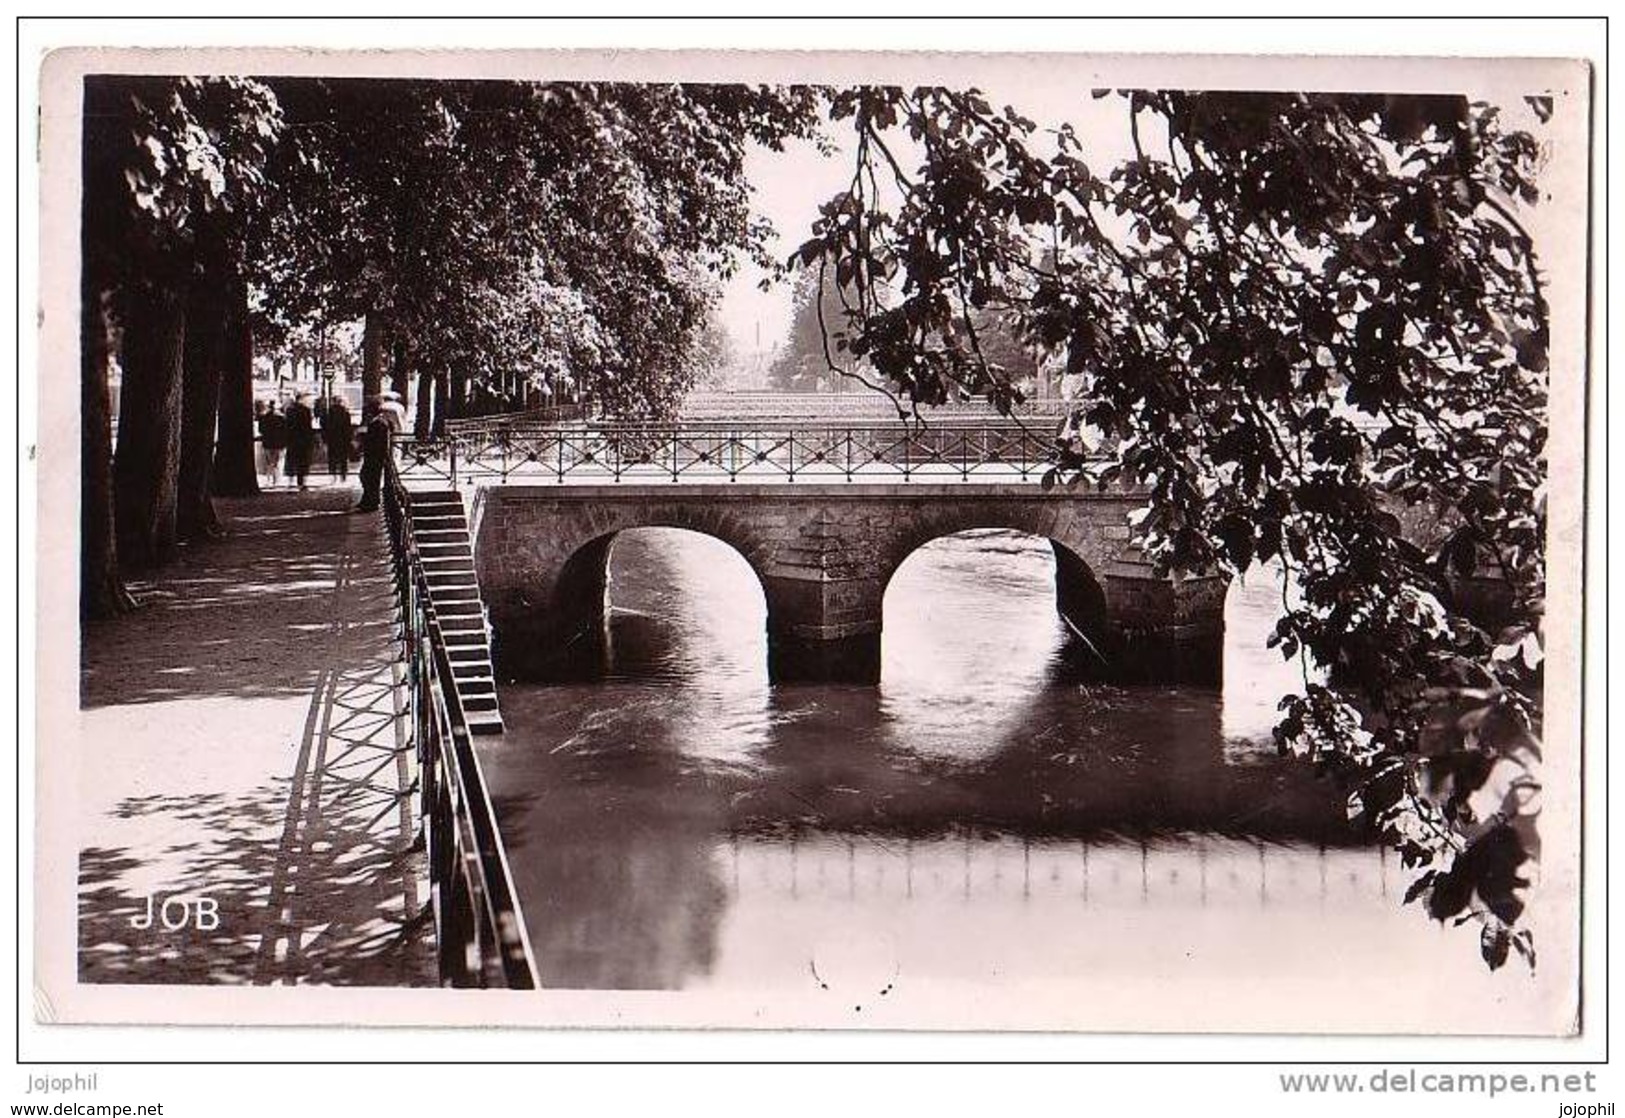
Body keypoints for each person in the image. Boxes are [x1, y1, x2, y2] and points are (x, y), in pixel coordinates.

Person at [354, 400, 393, 513]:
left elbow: (377, 442)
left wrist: (364, 441)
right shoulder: (377, 422)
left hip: (375, 455)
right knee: (367, 477)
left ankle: (371, 502)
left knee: (370, 478)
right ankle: (368, 500)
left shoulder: (378, 423)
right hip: (374, 455)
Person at [284, 392, 316, 490]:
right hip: (303, 440)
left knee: (291, 461)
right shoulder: (306, 410)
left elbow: (286, 426)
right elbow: (308, 427)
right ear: (302, 399)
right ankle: (302, 483)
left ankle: (290, 483)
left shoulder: (289, 410)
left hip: (292, 440)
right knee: (303, 462)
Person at [256, 399, 287, 488]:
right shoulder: (281, 418)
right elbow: (285, 430)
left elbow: (260, 430)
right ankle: (276, 480)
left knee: (269, 462)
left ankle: (269, 479)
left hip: (268, 442)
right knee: (277, 462)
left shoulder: (263, 418)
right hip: (278, 442)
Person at [322, 396, 354, 481]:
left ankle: (333, 475)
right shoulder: (345, 413)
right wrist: (349, 438)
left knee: (332, 457)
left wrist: (325, 439)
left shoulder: (328, 413)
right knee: (343, 458)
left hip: (332, 439)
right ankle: (343, 475)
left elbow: (325, 427)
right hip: (343, 439)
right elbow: (348, 427)